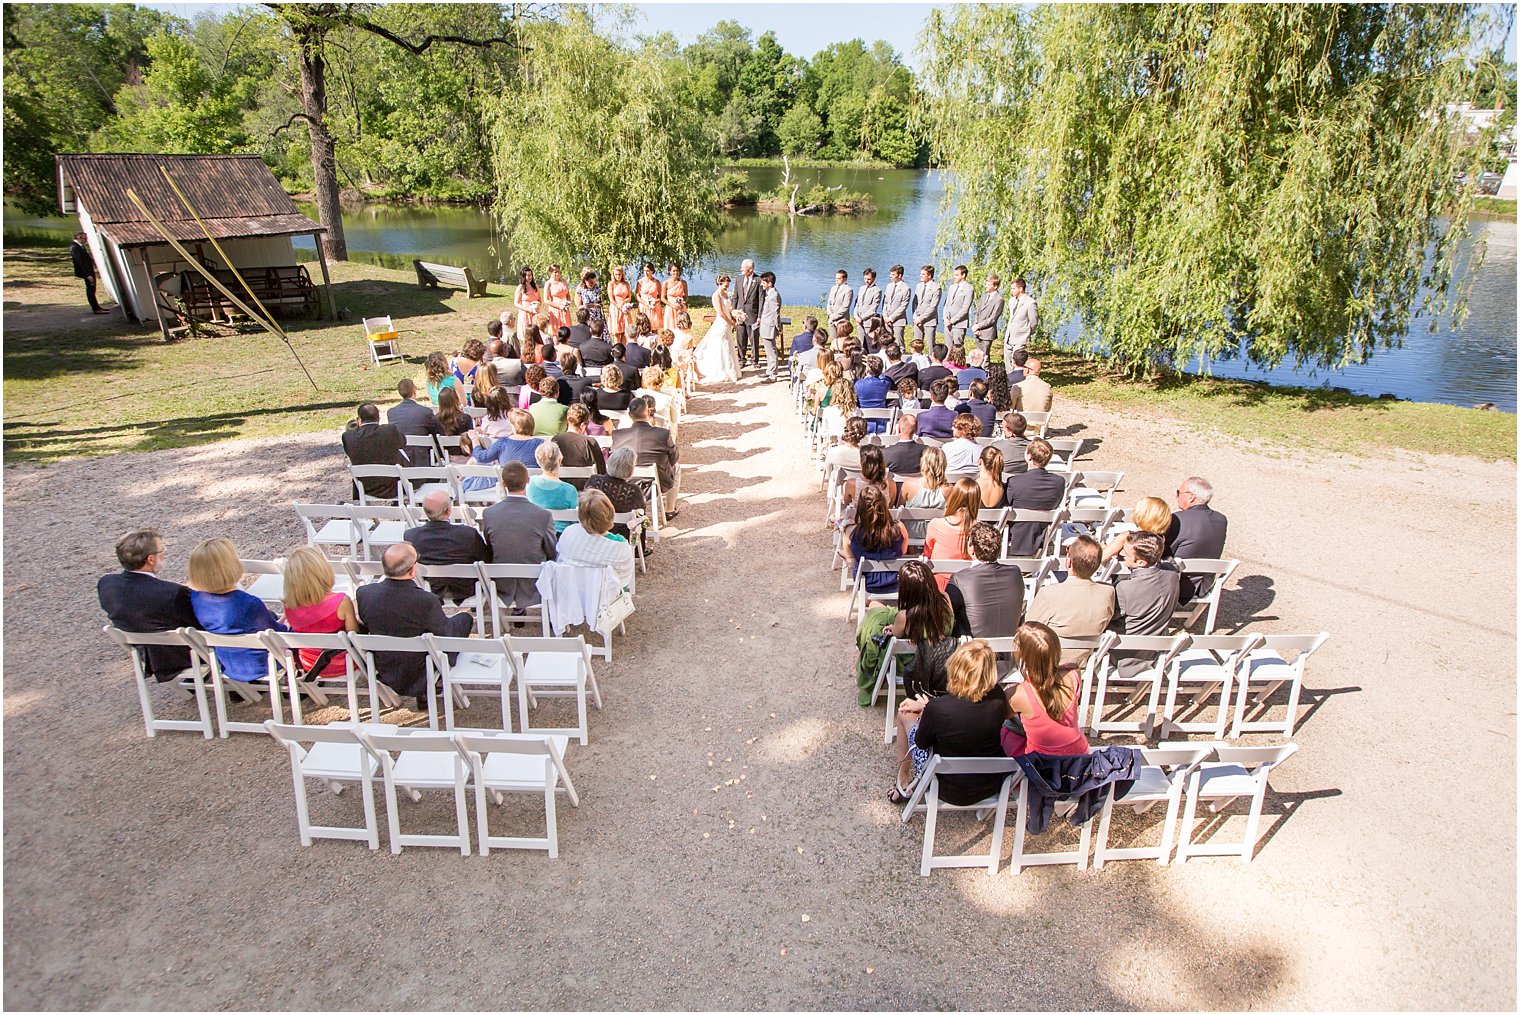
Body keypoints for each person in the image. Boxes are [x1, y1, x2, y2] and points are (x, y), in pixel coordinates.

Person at [354, 542, 473, 709]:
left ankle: (425, 689)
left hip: (386, 666)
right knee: (464, 619)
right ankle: (431, 683)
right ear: (412, 570)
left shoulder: (364, 593)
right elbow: (446, 633)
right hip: (421, 666)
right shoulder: (425, 601)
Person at [896, 640, 1012, 803]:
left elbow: (921, 743)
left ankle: (902, 781)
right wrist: (929, 706)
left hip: (944, 786)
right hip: (989, 783)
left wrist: (927, 710)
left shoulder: (939, 708)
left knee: (905, 714)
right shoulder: (998, 697)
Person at [98, 527, 200, 681]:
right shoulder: (172, 592)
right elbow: (200, 623)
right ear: (151, 559)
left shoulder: (106, 584)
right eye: (161, 551)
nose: (164, 554)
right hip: (182, 656)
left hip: (147, 655)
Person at [187, 537, 286, 682]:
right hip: (262, 664)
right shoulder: (248, 603)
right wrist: (287, 617)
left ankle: (239, 692)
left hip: (229, 663)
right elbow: (278, 636)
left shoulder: (196, 599)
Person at [1001, 622, 1089, 758]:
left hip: (1043, 762)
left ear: (1023, 656)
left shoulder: (1017, 694)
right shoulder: (1073, 673)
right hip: (1079, 752)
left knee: (1008, 726)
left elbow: (1003, 716)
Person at [1026, 535, 1116, 666]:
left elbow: (1029, 629)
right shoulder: (1108, 592)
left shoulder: (1049, 593)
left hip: (1048, 662)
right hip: (1084, 661)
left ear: (1069, 562)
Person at [480, 462, 559, 610]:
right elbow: (551, 550)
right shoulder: (543, 515)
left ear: (503, 484)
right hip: (535, 582)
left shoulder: (489, 513)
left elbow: (491, 546)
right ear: (527, 480)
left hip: (503, 581)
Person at [280, 546, 360, 681]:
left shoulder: (288, 605)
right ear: (323, 572)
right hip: (343, 662)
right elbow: (354, 635)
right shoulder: (341, 601)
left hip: (309, 663)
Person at [1109, 531, 1182, 676]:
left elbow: (1109, 616)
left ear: (1141, 562)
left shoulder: (1125, 588)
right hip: (1156, 648)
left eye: (1125, 554)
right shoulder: (1172, 575)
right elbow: (1170, 564)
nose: (1121, 554)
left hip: (1125, 654)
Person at [403, 488, 488, 599]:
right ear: (449, 510)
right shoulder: (467, 534)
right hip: (467, 588)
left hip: (432, 589)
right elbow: (486, 558)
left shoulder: (411, 536)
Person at [945, 521, 1023, 641]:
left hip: (974, 654)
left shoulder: (960, 579)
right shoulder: (1015, 573)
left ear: (972, 549)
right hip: (1009, 652)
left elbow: (946, 618)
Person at [612, 396, 680, 517]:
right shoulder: (662, 434)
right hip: (656, 481)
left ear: (629, 414)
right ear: (648, 412)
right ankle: (669, 509)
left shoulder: (618, 435)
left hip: (626, 480)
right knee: (677, 467)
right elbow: (674, 458)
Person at [556, 489, 636, 591]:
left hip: (570, 598)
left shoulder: (568, 533)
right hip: (605, 600)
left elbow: (560, 558)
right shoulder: (620, 546)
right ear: (610, 513)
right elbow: (624, 580)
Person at [1165, 476, 1229, 603]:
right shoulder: (1221, 520)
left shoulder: (1177, 519)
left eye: (1179, 492)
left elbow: (1164, 551)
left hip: (1177, 584)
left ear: (1191, 497)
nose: (1176, 496)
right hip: (1205, 585)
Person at [843, 484, 909, 599]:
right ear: (884, 506)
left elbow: (851, 562)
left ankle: (872, 603)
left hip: (867, 583)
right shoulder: (899, 528)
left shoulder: (850, 532)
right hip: (895, 581)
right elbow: (903, 551)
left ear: (860, 508)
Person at [1004, 437, 1066, 556]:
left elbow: (1008, 503)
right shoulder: (1059, 482)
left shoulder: (1014, 482)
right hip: (1042, 532)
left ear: (1028, 456)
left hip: (1015, 532)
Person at [464, 408, 542, 494]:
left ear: (514, 427)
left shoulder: (503, 442)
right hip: (533, 489)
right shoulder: (540, 444)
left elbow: (481, 457)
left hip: (509, 489)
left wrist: (474, 439)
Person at [924, 477, 980, 588]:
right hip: (968, 584)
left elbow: (927, 555)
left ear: (954, 497)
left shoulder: (936, 524)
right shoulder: (979, 528)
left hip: (939, 584)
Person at [342, 403, 404, 501]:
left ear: (359, 420)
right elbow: (403, 443)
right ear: (378, 418)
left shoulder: (348, 437)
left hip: (365, 487)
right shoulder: (390, 430)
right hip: (393, 487)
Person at [587, 448, 649, 546]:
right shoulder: (633, 491)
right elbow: (640, 520)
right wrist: (640, 548)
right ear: (630, 469)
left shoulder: (594, 481)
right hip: (621, 541)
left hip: (591, 537)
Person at [693, 273, 742, 383]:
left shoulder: (725, 294)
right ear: (719, 284)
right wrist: (732, 323)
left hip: (728, 320)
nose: (727, 288)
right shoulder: (716, 295)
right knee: (721, 344)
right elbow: (721, 313)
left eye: (728, 286)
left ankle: (730, 368)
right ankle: (721, 370)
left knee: (728, 344)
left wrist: (734, 317)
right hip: (722, 322)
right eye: (725, 286)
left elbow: (727, 310)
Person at [898, 444, 949, 543]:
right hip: (936, 534)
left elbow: (899, 510)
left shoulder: (908, 484)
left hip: (911, 532)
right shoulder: (949, 489)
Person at [386, 378, 442, 468]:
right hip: (424, 460)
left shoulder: (392, 413)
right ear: (414, 391)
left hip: (403, 461)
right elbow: (435, 433)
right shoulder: (425, 412)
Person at [1102, 495, 1173, 563]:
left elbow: (1103, 557)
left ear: (1140, 514)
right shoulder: (1161, 539)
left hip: (1121, 573)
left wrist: (1101, 546)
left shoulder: (1128, 536)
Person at [527, 442, 580, 531]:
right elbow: (575, 521)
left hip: (536, 531)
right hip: (562, 534)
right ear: (559, 460)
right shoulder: (569, 490)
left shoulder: (529, 483)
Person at [552, 401, 607, 483]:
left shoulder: (555, 440)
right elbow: (601, 471)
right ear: (583, 425)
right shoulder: (590, 442)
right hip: (585, 488)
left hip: (561, 486)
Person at [732, 258, 762, 369]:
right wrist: (734, 312)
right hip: (739, 315)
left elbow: (761, 299)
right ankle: (741, 359)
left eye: (743, 267)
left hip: (753, 315)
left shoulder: (758, 280)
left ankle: (755, 360)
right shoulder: (739, 279)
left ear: (750, 269)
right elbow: (735, 297)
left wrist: (759, 316)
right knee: (740, 338)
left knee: (754, 338)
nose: (741, 269)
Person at [636, 366, 681, 439]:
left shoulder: (638, 395)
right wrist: (673, 439)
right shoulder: (669, 397)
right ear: (662, 381)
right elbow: (673, 420)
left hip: (640, 434)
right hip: (662, 434)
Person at [72, 231, 108, 314]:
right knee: (90, 289)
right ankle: (95, 309)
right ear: (79, 238)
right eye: (85, 238)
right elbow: (79, 262)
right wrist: (87, 275)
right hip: (87, 273)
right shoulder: (75, 247)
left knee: (92, 289)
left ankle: (97, 307)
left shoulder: (80, 246)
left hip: (89, 271)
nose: (86, 240)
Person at [853, 356, 891, 433]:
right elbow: (883, 376)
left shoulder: (859, 384)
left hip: (863, 425)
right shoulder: (886, 383)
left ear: (867, 369)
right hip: (881, 424)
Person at [972, 273, 1004, 362]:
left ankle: (985, 373)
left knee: (984, 355)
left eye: (989, 284)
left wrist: (979, 326)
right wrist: (975, 325)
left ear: (995, 286)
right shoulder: (984, 295)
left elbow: (993, 318)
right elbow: (977, 312)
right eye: (986, 283)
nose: (986, 285)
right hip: (977, 330)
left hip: (987, 332)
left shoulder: (999, 299)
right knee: (977, 355)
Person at [758, 271, 783, 381]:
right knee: (768, 351)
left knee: (771, 352)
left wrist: (778, 328)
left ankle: (773, 375)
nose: (761, 284)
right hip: (765, 326)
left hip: (769, 327)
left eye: (763, 282)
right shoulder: (770, 293)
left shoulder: (773, 295)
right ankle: (769, 370)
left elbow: (775, 313)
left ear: (770, 283)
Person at [941, 413, 984, 477]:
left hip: (951, 483)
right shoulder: (982, 451)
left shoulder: (946, 448)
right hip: (975, 484)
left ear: (963, 430)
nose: (952, 428)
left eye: (955, 426)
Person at [1005, 276, 1039, 355]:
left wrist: (1027, 332)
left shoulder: (1030, 302)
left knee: (1017, 360)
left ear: (1020, 289)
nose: (1011, 291)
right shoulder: (1012, 300)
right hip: (1009, 336)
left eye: (1013, 289)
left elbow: (1034, 321)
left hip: (1020, 337)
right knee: (1008, 360)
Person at [942, 264, 974, 347]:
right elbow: (946, 304)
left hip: (959, 324)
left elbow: (965, 309)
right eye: (954, 275)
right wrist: (945, 318)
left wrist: (952, 321)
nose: (954, 277)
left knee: (957, 348)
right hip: (947, 323)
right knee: (948, 347)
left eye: (956, 275)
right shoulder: (952, 287)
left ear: (963, 275)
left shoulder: (969, 289)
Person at [912, 264, 943, 345]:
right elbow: (915, 302)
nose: (920, 276)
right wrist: (915, 317)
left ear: (929, 275)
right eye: (920, 274)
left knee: (930, 345)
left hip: (929, 321)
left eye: (923, 274)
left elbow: (933, 307)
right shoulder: (919, 286)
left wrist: (921, 319)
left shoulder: (936, 288)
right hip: (917, 320)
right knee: (917, 344)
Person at [883, 264, 911, 344]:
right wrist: (885, 316)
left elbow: (903, 306)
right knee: (887, 342)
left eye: (893, 274)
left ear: (899, 275)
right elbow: (885, 302)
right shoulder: (889, 286)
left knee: (899, 343)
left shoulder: (906, 288)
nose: (890, 276)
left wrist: (891, 318)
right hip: (886, 320)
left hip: (898, 320)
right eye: (890, 274)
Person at [514, 266, 542, 347]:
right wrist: (527, 309)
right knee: (526, 336)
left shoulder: (534, 286)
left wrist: (537, 306)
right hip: (525, 314)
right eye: (527, 275)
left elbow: (539, 299)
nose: (530, 277)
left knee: (536, 335)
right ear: (523, 276)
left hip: (535, 313)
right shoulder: (520, 288)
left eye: (531, 275)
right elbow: (516, 303)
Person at [542, 264, 572, 331]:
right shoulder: (548, 283)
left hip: (565, 308)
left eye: (558, 271)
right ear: (550, 273)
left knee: (567, 328)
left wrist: (568, 303)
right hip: (555, 309)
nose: (557, 274)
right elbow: (546, 300)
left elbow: (568, 295)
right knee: (556, 330)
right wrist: (559, 306)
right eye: (555, 272)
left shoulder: (563, 281)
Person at [608, 265, 634, 340]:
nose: (618, 276)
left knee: (625, 332)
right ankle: (617, 349)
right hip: (615, 307)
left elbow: (629, 297)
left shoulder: (626, 284)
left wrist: (623, 303)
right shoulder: (611, 284)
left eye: (619, 274)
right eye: (616, 274)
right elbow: (611, 298)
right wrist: (617, 305)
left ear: (622, 274)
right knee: (617, 332)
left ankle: (624, 350)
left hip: (624, 307)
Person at [636, 262, 664, 331]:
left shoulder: (657, 282)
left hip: (654, 307)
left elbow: (661, 297)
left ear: (652, 271)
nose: (646, 272)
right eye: (644, 270)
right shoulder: (640, 282)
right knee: (643, 328)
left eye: (648, 271)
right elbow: (637, 295)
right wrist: (645, 303)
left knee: (654, 328)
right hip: (643, 306)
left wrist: (655, 301)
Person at [826, 269, 854, 335]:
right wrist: (830, 314)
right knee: (833, 340)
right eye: (836, 278)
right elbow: (829, 303)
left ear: (845, 279)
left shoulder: (848, 290)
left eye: (839, 278)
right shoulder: (833, 288)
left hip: (842, 320)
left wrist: (835, 316)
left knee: (842, 341)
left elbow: (845, 307)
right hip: (831, 319)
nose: (836, 280)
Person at [662, 263, 688, 328]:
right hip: (670, 308)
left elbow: (686, 296)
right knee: (670, 327)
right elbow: (662, 298)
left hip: (680, 308)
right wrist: (672, 305)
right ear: (670, 271)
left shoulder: (683, 283)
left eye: (677, 271)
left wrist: (682, 303)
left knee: (681, 327)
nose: (675, 272)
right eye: (674, 271)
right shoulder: (666, 283)